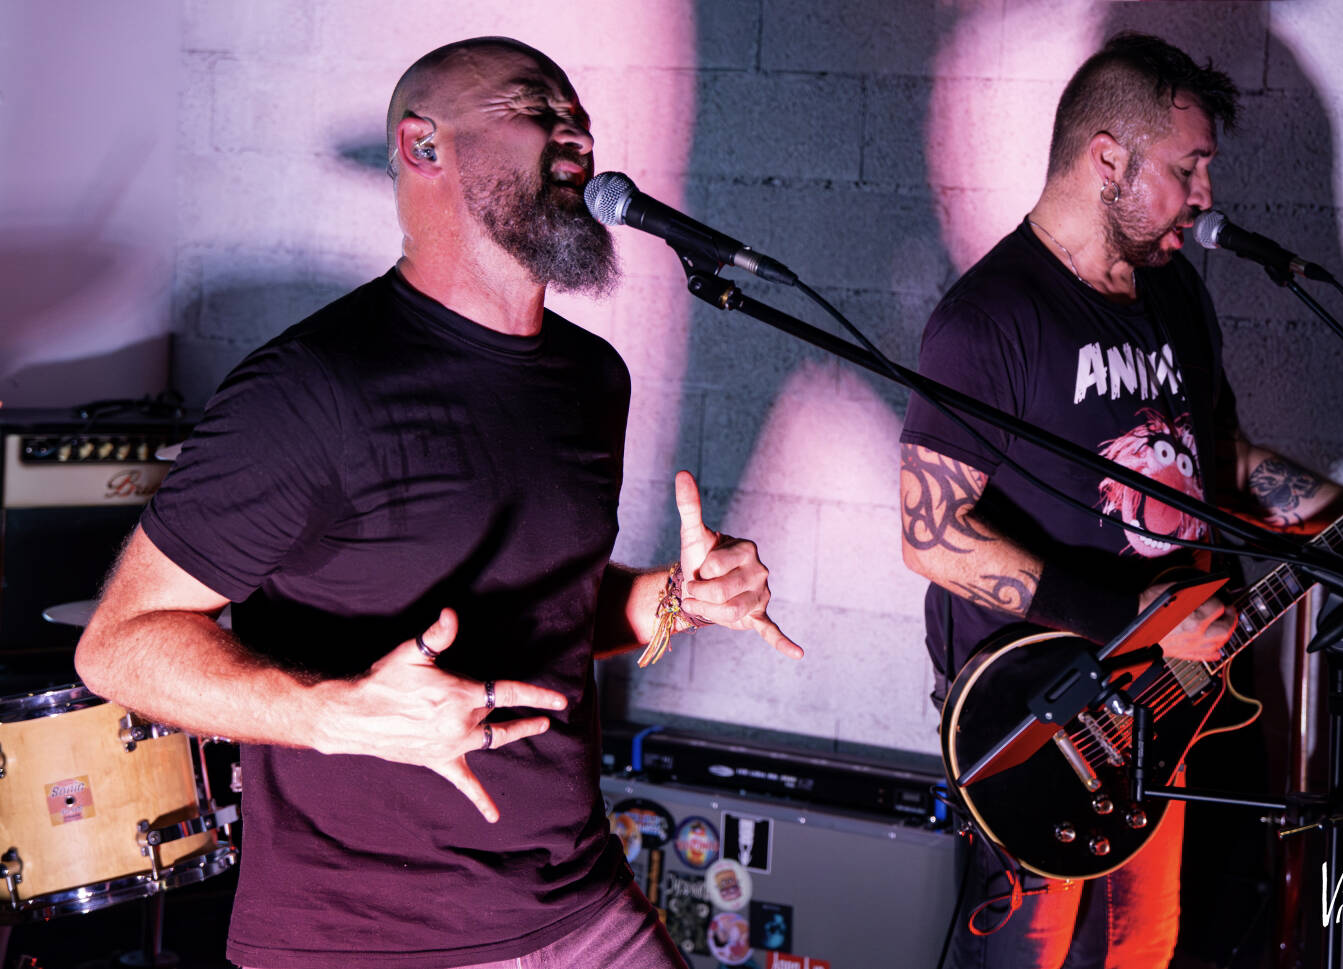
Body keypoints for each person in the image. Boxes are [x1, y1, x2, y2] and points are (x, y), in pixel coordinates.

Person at [75, 36, 801, 969]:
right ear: (424, 146)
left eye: (580, 116)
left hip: (578, 899)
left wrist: (676, 598)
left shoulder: (590, 377)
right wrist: (336, 713)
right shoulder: (312, 387)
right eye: (536, 107)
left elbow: (546, 613)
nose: (577, 135)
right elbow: (119, 645)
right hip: (368, 939)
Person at [898, 32, 1343, 969]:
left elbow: (1218, 463)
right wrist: (1133, 619)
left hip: (1166, 701)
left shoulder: (1173, 295)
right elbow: (931, 536)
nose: (1205, 195)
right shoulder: (989, 318)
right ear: (1106, 159)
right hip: (1043, 718)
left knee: (1143, 948)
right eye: (1186, 167)